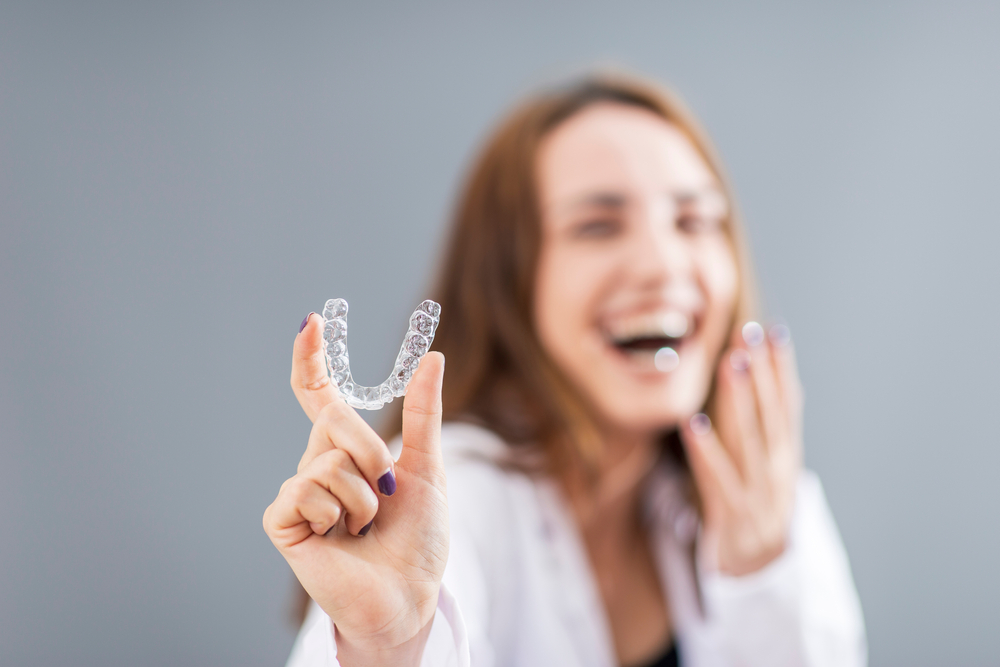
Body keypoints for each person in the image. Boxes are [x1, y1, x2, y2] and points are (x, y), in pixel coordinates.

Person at [263, 73, 867, 667]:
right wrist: (388, 651)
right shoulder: (447, 499)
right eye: (597, 226)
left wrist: (761, 575)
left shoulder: (757, 498)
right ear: (510, 283)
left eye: (694, 221)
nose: (663, 263)